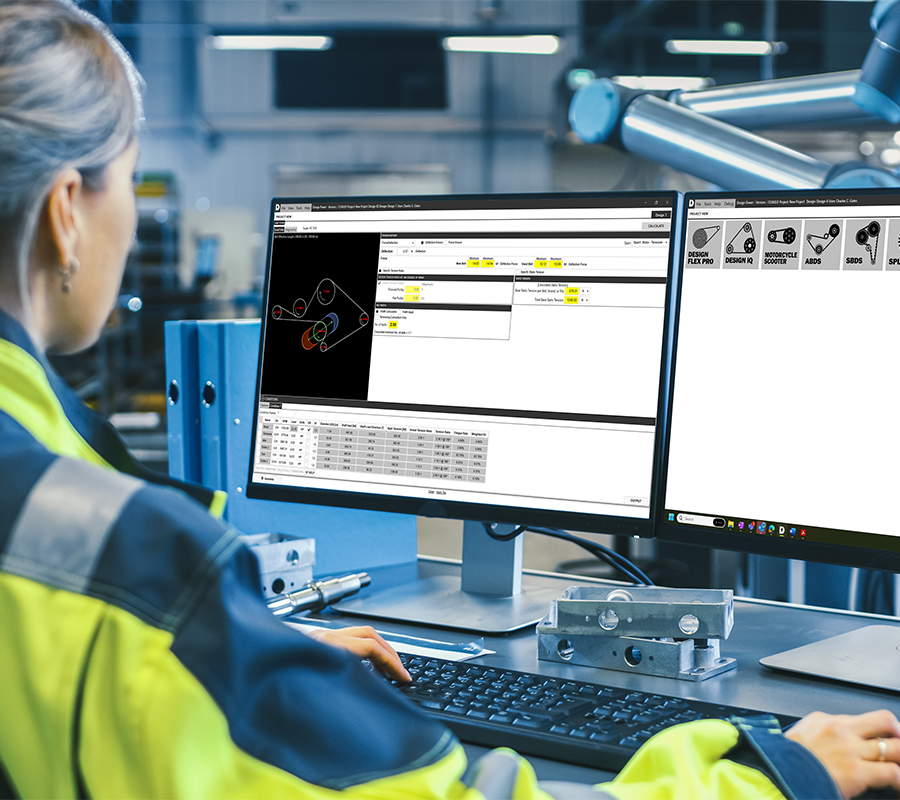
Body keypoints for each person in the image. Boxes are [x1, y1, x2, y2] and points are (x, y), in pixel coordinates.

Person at [0, 2, 899, 798]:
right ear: (67, 209)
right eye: (129, 175)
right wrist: (772, 777)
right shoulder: (116, 559)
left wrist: (243, 658)